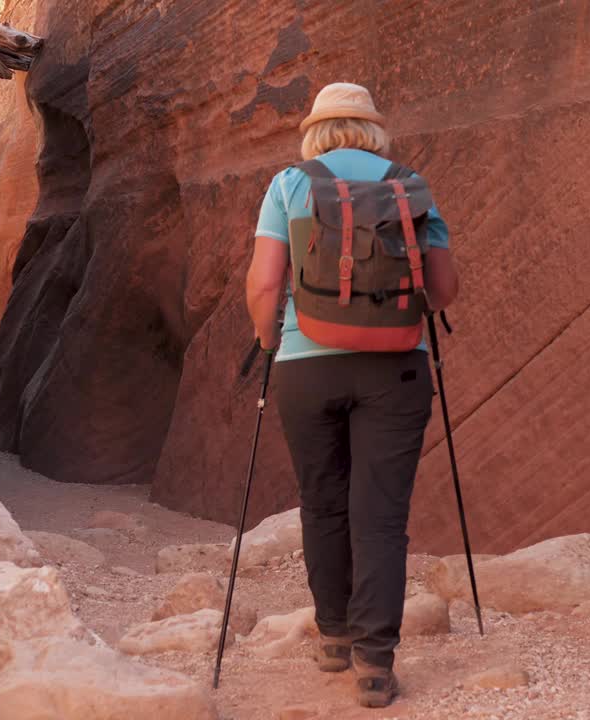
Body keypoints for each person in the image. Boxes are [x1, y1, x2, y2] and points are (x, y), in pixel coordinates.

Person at [245, 82, 460, 708]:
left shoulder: (289, 184)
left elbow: (264, 284)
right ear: (373, 130)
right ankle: (374, 663)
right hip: (397, 366)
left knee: (323, 503)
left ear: (315, 131)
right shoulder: (409, 185)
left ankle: (334, 636)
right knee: (382, 517)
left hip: (306, 364)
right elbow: (443, 289)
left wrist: (270, 342)